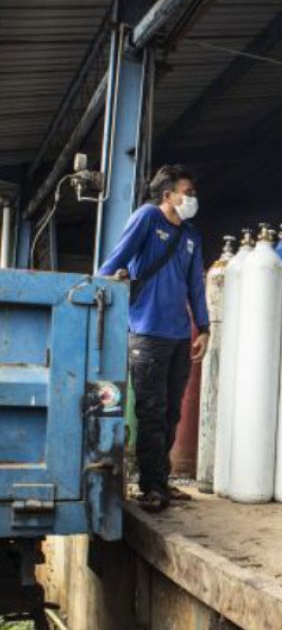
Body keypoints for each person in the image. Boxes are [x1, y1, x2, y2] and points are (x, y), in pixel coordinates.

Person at [99, 165, 209, 513]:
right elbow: (113, 262)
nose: (191, 199)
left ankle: (160, 480)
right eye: (186, 192)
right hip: (146, 333)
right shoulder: (147, 218)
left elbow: (196, 285)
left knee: (171, 413)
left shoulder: (191, 235)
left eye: (192, 193)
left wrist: (204, 328)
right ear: (168, 196)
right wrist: (110, 280)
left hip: (179, 335)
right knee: (151, 411)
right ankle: (150, 488)